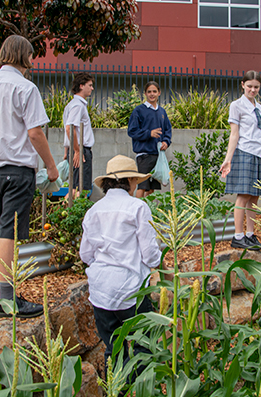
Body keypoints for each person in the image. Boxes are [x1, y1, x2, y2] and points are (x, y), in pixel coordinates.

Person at [0, 35, 59, 319]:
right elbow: (34, 132)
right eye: (31, 55)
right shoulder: (26, 88)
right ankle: (9, 301)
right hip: (17, 171)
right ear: (23, 56)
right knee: (9, 232)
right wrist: (51, 167)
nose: (33, 60)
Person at [79, 155, 161, 377]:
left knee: (113, 348)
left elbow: (85, 254)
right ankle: (141, 388)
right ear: (131, 182)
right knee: (145, 346)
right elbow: (151, 256)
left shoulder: (93, 211)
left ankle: (116, 389)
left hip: (101, 292)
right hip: (132, 290)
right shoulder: (138, 207)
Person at [220, 70, 261, 251]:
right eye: (249, 86)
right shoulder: (236, 105)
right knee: (243, 195)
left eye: (256, 87)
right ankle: (238, 236)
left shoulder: (259, 107)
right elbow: (235, 134)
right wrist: (228, 160)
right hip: (245, 152)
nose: (253, 90)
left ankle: (250, 235)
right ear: (242, 85)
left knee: (255, 196)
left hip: (260, 153)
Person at [127, 81, 172, 198]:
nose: (152, 94)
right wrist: (149, 133)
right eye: (149, 92)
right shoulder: (139, 111)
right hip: (144, 155)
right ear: (145, 94)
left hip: (158, 156)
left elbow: (168, 130)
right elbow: (132, 131)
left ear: (159, 93)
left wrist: (166, 142)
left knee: (151, 189)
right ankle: (136, 212)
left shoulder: (162, 112)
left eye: (154, 91)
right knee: (142, 186)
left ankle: (145, 210)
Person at [63, 72, 95, 198]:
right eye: (90, 85)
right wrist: (77, 150)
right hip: (81, 151)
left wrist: (67, 150)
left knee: (76, 187)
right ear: (81, 86)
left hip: (76, 149)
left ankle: (67, 213)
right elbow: (70, 128)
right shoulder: (78, 105)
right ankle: (69, 215)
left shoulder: (72, 104)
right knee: (80, 189)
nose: (92, 88)